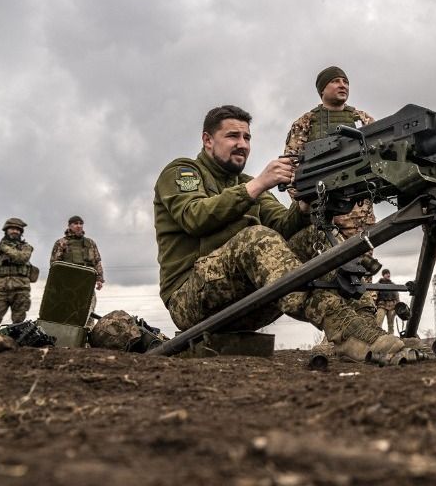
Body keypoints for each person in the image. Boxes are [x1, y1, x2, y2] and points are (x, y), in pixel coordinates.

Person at [153, 105, 408, 362]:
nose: (242, 144)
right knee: (255, 238)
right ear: (208, 140)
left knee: (314, 237)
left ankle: (367, 329)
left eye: (247, 137)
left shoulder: (248, 183)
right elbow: (194, 216)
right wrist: (258, 185)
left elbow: (282, 227)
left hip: (244, 301)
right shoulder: (183, 172)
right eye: (233, 136)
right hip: (190, 300)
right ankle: (343, 329)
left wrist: (303, 206)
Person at [283, 65, 380, 316]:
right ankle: (340, 327)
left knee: (363, 268)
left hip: (359, 211)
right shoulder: (305, 123)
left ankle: (367, 324)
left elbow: (381, 154)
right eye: (336, 81)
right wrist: (305, 204)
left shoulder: (362, 119)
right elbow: (292, 166)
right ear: (322, 89)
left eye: (345, 81)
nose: (343, 85)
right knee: (330, 270)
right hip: (324, 213)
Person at [0, 218, 35, 328]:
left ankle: (16, 344)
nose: (15, 231)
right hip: (0, 290)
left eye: (18, 230)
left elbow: (21, 258)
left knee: (19, 324)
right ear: (6, 230)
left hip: (21, 290)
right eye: (12, 229)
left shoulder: (26, 247)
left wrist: (4, 248)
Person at [50, 215, 105, 290]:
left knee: (88, 301)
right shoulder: (62, 242)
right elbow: (55, 264)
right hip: (68, 282)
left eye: (81, 223)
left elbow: (97, 262)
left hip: (87, 281)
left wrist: (99, 279)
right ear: (69, 226)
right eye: (76, 223)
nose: (79, 226)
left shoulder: (90, 243)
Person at [375, 269, 399, 335]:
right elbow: (374, 295)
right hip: (382, 305)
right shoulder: (378, 284)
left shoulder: (393, 285)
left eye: (389, 273)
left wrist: (398, 306)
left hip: (392, 306)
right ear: (383, 275)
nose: (388, 275)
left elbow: (397, 296)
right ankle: (377, 336)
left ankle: (391, 337)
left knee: (391, 324)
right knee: (378, 322)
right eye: (386, 273)